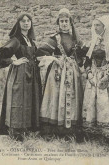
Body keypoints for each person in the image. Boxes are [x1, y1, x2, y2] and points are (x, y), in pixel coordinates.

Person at [36, 8, 85, 141]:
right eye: (61, 21)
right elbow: (40, 52)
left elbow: (82, 55)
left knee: (73, 98)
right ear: (58, 23)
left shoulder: (76, 38)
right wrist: (54, 59)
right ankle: (53, 129)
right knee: (56, 97)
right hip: (58, 72)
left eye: (66, 21)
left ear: (70, 22)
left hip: (73, 73)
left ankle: (70, 131)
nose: (64, 23)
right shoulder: (55, 38)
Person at [0, 13, 41, 141]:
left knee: (30, 100)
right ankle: (16, 131)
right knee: (19, 101)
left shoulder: (31, 40)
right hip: (20, 74)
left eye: (28, 21)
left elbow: (34, 56)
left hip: (32, 74)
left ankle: (27, 128)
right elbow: (1, 55)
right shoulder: (16, 40)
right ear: (18, 24)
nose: (26, 23)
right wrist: (13, 61)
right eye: (23, 21)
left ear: (31, 23)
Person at [82, 15, 109, 144]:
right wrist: (89, 74)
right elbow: (87, 62)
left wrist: (107, 77)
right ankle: (93, 134)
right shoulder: (92, 43)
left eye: (98, 25)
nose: (95, 28)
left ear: (105, 27)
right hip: (94, 79)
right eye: (94, 25)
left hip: (108, 80)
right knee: (92, 104)